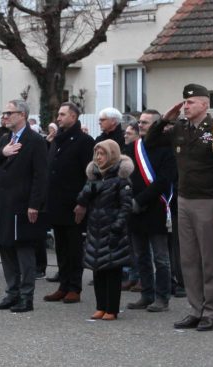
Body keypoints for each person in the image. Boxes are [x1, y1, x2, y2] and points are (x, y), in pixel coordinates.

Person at [162, 84, 213, 331]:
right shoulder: (180, 128)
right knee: (188, 259)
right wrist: (166, 118)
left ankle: (211, 311)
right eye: (184, 102)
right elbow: (151, 140)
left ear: (205, 105)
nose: (186, 106)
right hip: (184, 199)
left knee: (208, 259)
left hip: (209, 200)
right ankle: (195, 309)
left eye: (191, 102)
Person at [0, 99, 49, 313]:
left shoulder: (35, 140)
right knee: (5, 248)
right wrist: (2, 153)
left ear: (22, 115)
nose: (5, 116)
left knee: (23, 251)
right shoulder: (5, 138)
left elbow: (40, 175)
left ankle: (26, 296)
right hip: (2, 204)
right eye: (4, 112)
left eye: (9, 112)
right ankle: (11, 293)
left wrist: (34, 204)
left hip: (22, 205)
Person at [42, 102, 95, 304]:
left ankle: (74, 287)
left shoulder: (84, 141)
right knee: (61, 248)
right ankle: (63, 285)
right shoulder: (58, 140)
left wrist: (83, 202)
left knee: (74, 248)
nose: (58, 118)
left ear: (73, 116)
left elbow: (89, 176)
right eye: (58, 114)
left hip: (74, 204)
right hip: (56, 203)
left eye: (63, 114)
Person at [127, 110, 178, 312]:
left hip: (156, 207)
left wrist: (141, 200)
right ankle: (146, 295)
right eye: (140, 122)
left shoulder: (167, 149)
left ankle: (162, 298)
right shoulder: (132, 148)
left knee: (160, 258)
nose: (141, 125)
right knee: (140, 256)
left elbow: (164, 181)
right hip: (134, 208)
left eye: (146, 123)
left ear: (157, 125)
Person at [77, 140, 134, 320]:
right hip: (95, 229)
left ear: (111, 156)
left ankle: (112, 308)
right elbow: (81, 200)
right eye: (97, 154)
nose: (98, 158)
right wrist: (89, 187)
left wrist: (117, 227)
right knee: (97, 269)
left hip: (112, 230)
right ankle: (100, 306)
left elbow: (126, 207)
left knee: (112, 270)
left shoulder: (121, 180)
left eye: (102, 154)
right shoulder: (94, 178)